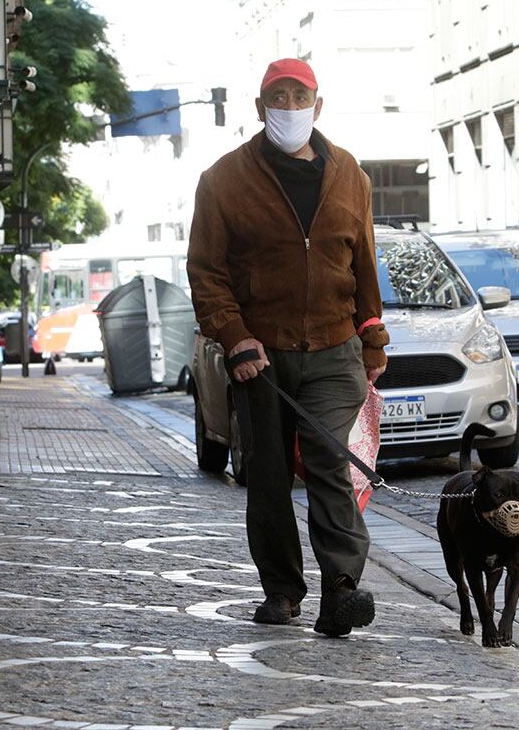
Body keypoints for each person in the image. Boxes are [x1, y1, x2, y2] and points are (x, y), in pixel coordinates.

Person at [187, 58, 389, 637]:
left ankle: (342, 588)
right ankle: (281, 590)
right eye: (279, 98)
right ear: (260, 108)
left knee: (329, 460)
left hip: (334, 347)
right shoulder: (223, 179)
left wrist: (373, 336)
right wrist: (235, 337)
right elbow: (206, 272)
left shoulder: (350, 174)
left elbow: (364, 265)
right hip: (262, 358)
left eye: (300, 98)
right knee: (269, 477)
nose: (290, 108)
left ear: (318, 106)